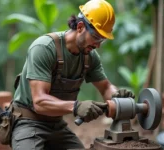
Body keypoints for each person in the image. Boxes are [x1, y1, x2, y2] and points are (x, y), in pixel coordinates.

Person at [11, 0, 134, 149]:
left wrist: (117, 96)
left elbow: (105, 87)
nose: (98, 45)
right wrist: (76, 107)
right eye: (96, 37)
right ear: (81, 27)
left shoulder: (90, 56)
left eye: (102, 39)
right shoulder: (44, 48)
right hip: (28, 122)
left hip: (56, 124)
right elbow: (39, 102)